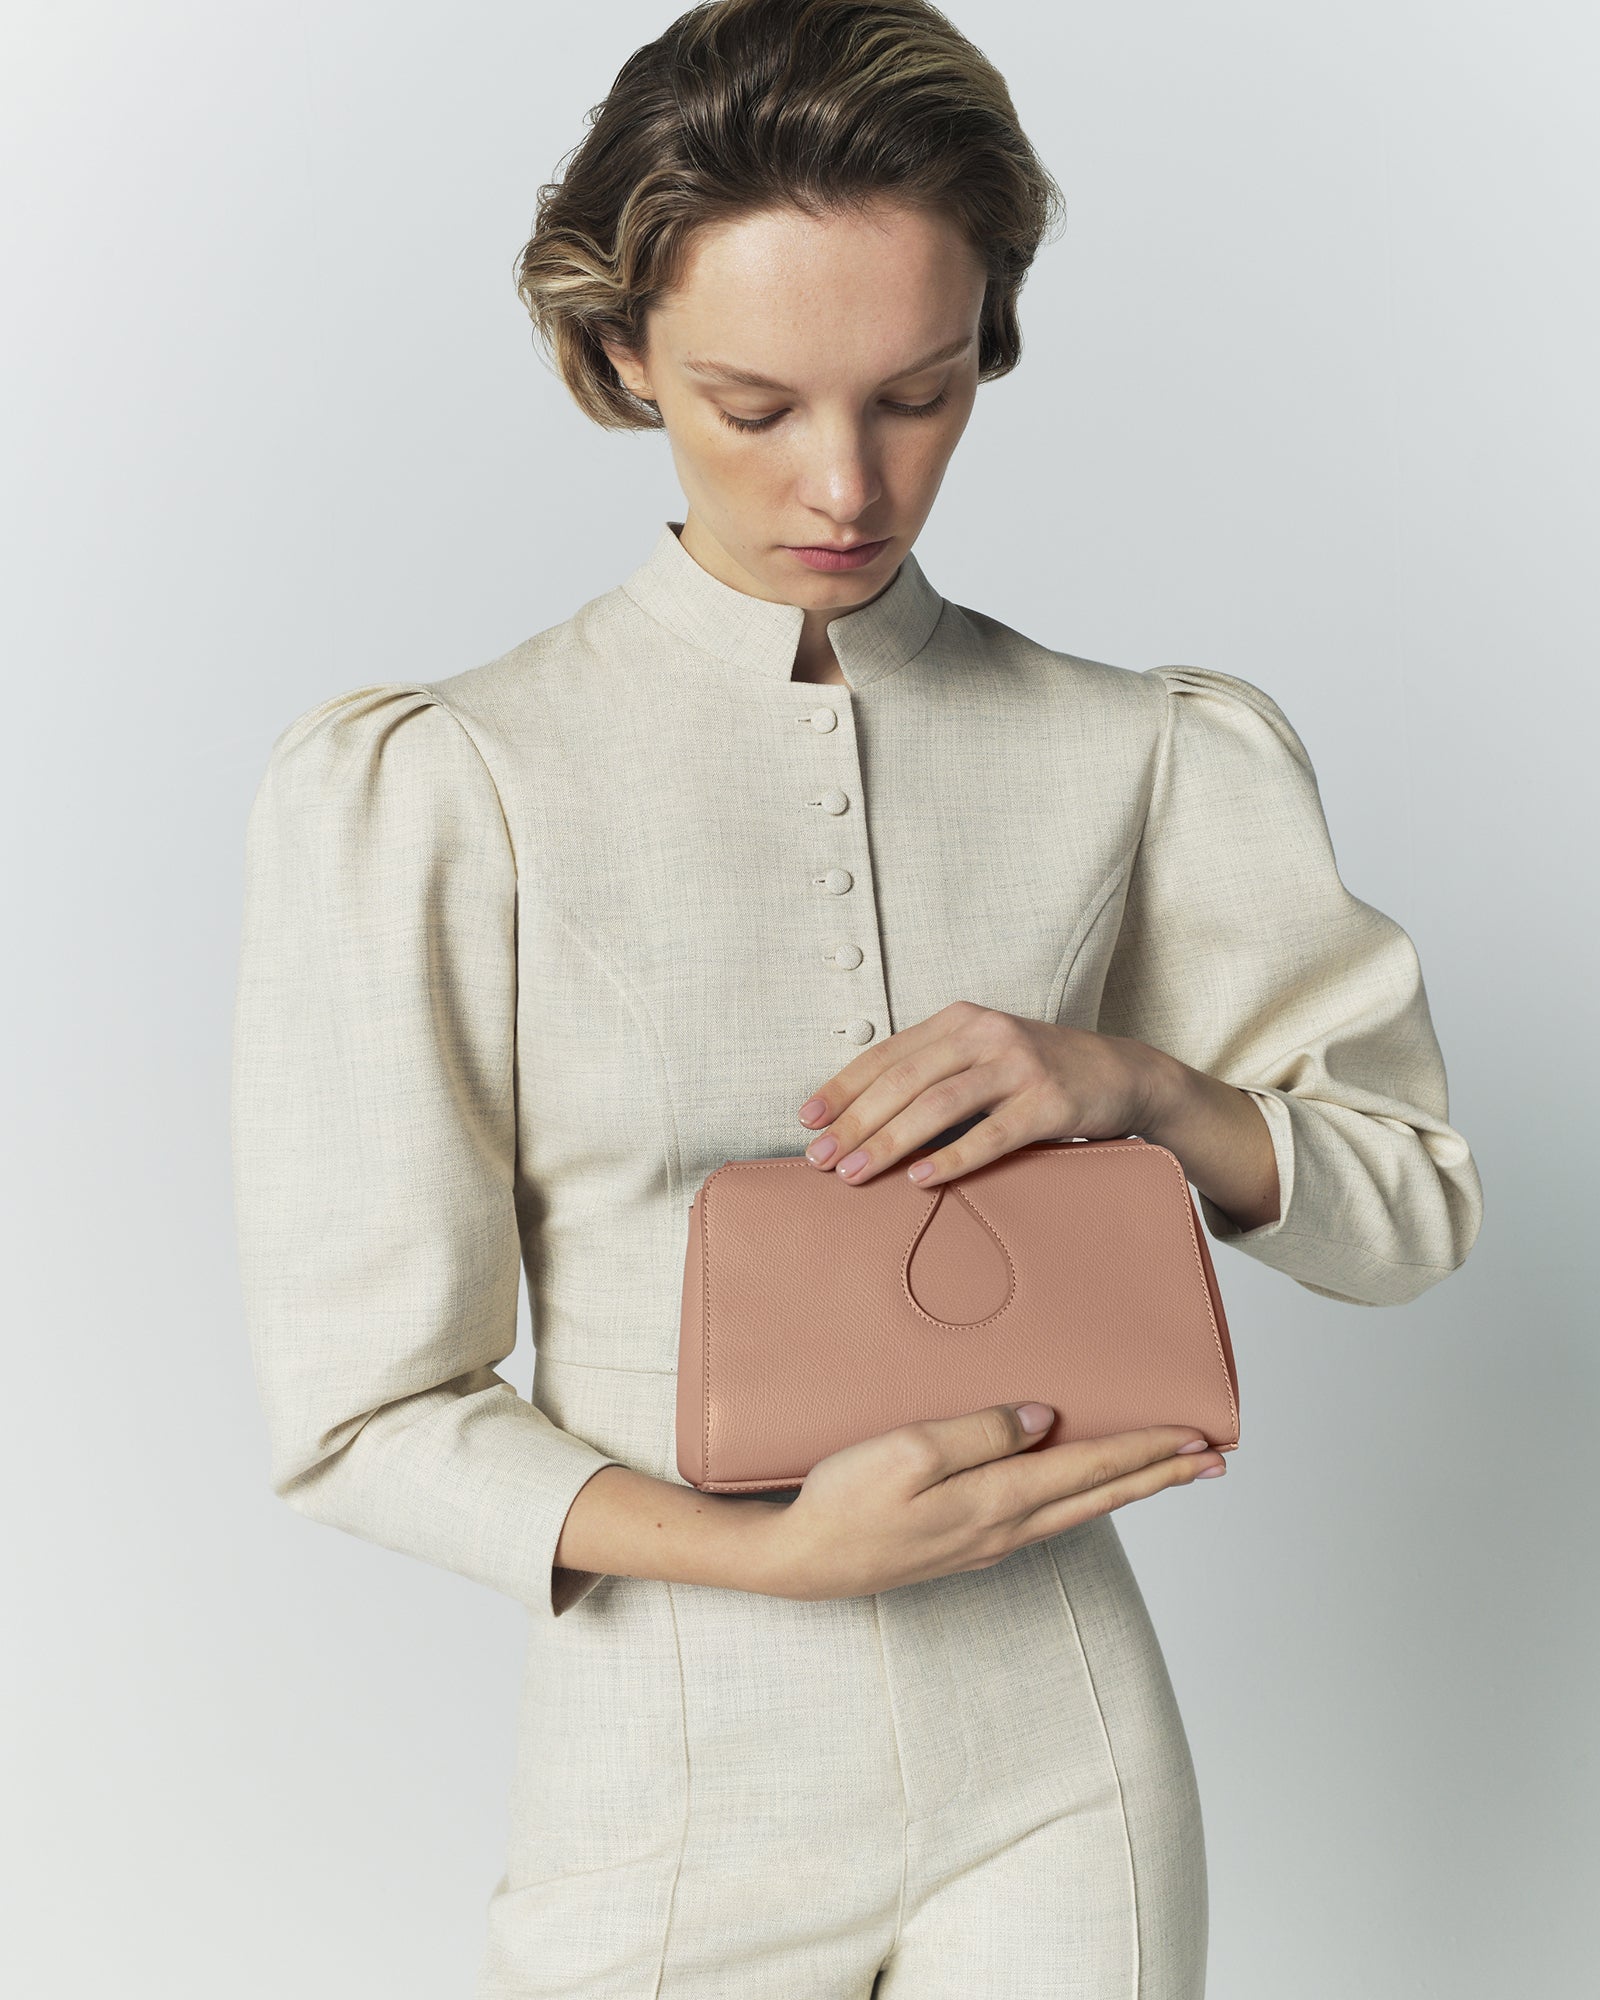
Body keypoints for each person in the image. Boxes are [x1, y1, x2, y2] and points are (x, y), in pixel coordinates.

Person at [229, 2, 1485, 1994]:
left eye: (916, 393)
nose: (844, 481)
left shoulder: (1145, 749)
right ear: (621, 355)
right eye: (753, 404)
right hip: (671, 1773)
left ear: (987, 337)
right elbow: (362, 1411)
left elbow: (1409, 1209)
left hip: (1064, 1756)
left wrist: (1138, 1087)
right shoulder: (448, 786)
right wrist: (771, 1553)